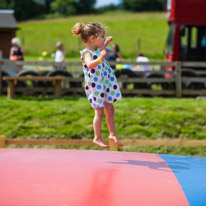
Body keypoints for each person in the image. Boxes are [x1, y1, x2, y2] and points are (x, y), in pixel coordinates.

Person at [72, 22, 123, 148]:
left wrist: (106, 44)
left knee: (110, 109)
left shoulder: (95, 50)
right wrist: (100, 59)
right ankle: (97, 137)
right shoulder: (86, 53)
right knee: (99, 112)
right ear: (92, 38)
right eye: (102, 37)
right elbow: (90, 64)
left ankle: (112, 134)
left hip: (103, 83)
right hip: (95, 86)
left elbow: (99, 49)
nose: (103, 39)